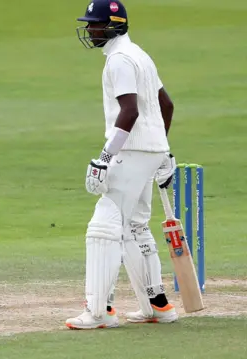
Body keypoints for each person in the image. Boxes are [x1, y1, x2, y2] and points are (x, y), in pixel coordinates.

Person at [66, 0, 179, 329]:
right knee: (135, 226)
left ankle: (98, 312)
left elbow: (128, 111)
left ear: (111, 25)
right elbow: (165, 105)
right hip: (150, 150)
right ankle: (158, 306)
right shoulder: (140, 55)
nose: (89, 29)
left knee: (104, 225)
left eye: (94, 24)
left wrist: (104, 157)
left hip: (131, 152)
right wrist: (163, 150)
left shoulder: (118, 60)